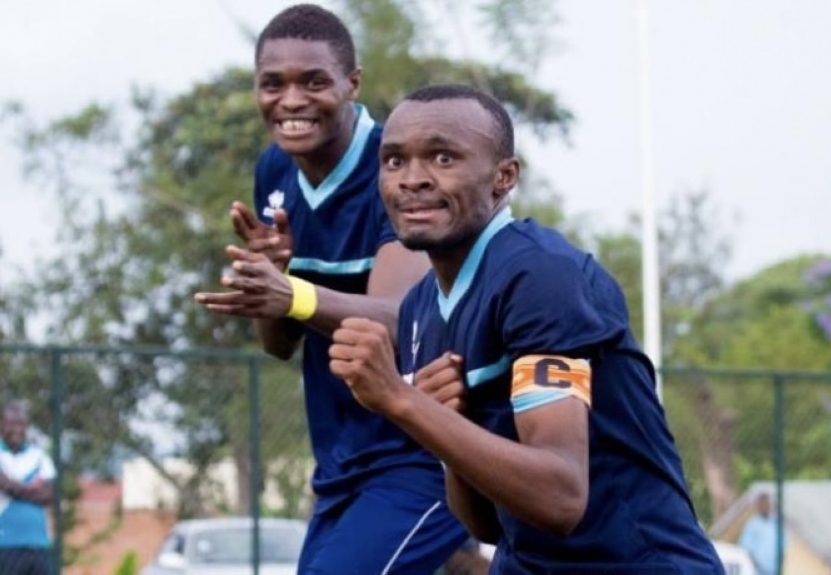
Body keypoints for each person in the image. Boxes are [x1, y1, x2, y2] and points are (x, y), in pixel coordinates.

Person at [328, 83, 725, 574]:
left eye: (443, 158)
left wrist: (399, 400)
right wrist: (440, 424)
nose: (413, 179)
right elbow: (487, 526)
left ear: (504, 177)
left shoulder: (540, 277)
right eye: (394, 161)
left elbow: (560, 498)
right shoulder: (420, 310)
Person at [193, 5, 467, 573]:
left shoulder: (396, 166)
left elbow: (402, 320)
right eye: (273, 84)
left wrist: (292, 293)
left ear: (352, 83)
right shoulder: (275, 170)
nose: (291, 101)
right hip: (341, 462)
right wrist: (273, 282)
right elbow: (279, 344)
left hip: (425, 453)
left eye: (313, 81)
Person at [0, 402, 55, 575]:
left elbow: (48, 495)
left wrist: (13, 486)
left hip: (39, 544)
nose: (17, 429)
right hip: (6, 544)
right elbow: (4, 484)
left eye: (21, 424)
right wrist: (33, 488)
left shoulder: (39, 456)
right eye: (11, 423)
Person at [738, 492, 783, 575]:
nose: (765, 506)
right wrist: (757, 566)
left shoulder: (776, 524)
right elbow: (746, 549)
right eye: (762, 504)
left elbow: (782, 548)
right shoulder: (752, 524)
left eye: (766, 503)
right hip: (757, 571)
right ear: (758, 506)